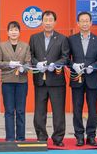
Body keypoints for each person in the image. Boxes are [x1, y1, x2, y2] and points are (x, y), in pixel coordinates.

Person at [29, 10, 69, 146]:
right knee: (39, 111)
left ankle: (58, 138)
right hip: (40, 80)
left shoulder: (62, 38)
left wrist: (56, 64)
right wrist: (36, 63)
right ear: (41, 22)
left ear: (55, 22)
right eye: (45, 20)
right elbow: (30, 55)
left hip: (57, 80)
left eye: (50, 20)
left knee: (58, 111)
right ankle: (41, 136)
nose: (48, 23)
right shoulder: (34, 38)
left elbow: (65, 57)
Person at [67, 11, 97, 147]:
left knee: (92, 109)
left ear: (91, 23)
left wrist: (93, 67)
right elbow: (66, 58)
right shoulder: (71, 39)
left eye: (87, 21)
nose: (84, 23)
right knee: (77, 109)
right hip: (76, 78)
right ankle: (79, 136)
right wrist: (74, 65)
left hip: (92, 79)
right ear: (78, 23)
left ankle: (91, 136)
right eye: (82, 21)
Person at [0, 21, 31, 142]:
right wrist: (9, 64)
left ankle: (21, 137)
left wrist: (23, 68)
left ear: (19, 32)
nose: (13, 32)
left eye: (16, 30)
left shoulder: (25, 46)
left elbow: (28, 63)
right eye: (11, 30)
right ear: (7, 32)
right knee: (9, 110)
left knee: (20, 110)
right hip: (7, 81)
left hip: (22, 81)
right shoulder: (2, 46)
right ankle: (10, 137)